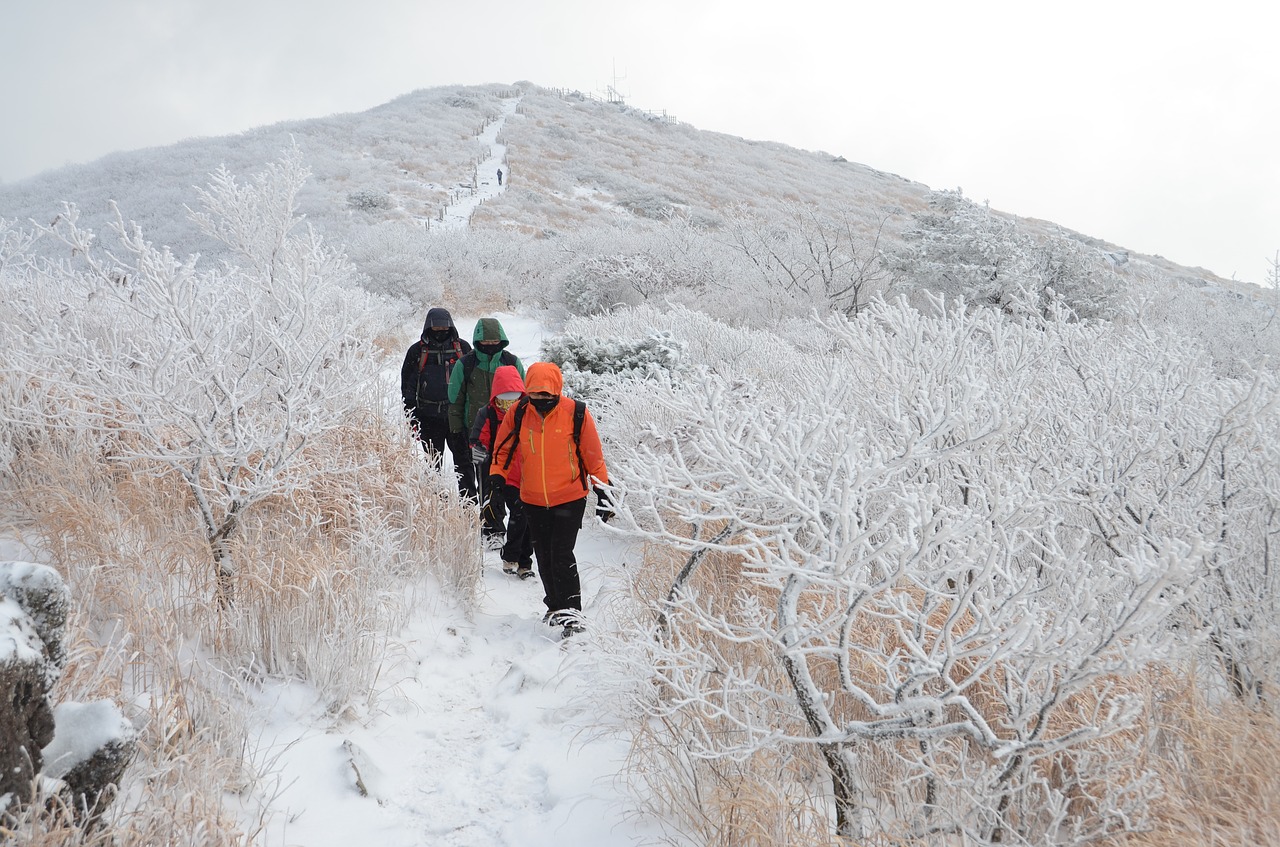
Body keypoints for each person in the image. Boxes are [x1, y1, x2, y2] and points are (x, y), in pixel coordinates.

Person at [491, 361, 612, 638]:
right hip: (533, 498)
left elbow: (593, 456)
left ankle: (573, 614)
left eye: (547, 395)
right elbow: (502, 449)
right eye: (536, 395)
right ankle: (555, 606)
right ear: (528, 392)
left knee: (561, 554)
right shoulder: (520, 413)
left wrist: (603, 489)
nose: (541, 400)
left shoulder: (576, 413)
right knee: (543, 555)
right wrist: (497, 476)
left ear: (557, 391)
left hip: (570, 496)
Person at [448, 318, 525, 539]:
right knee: (486, 480)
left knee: (508, 481)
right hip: (476, 431)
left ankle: (514, 528)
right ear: (477, 340)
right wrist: (456, 432)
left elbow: (525, 395)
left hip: (511, 433)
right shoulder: (466, 364)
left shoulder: (512, 362)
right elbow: (455, 399)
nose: (490, 345)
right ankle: (492, 528)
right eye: (485, 341)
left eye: (494, 341)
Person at [401, 308, 474, 498]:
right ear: (428, 326)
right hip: (428, 416)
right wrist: (411, 416)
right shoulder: (417, 351)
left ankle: (469, 503)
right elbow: (408, 386)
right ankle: (435, 503)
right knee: (432, 463)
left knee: (464, 463)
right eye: (436, 326)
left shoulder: (463, 348)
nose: (440, 330)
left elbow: (473, 383)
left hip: (456, 417)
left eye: (444, 326)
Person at [469, 365, 534, 579]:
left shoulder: (529, 413)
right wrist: (478, 449)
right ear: (495, 397)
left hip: (523, 474)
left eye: (513, 400)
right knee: (502, 510)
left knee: (523, 515)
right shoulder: (486, 413)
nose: (508, 406)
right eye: (504, 400)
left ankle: (521, 561)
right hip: (496, 472)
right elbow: (478, 438)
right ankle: (499, 540)